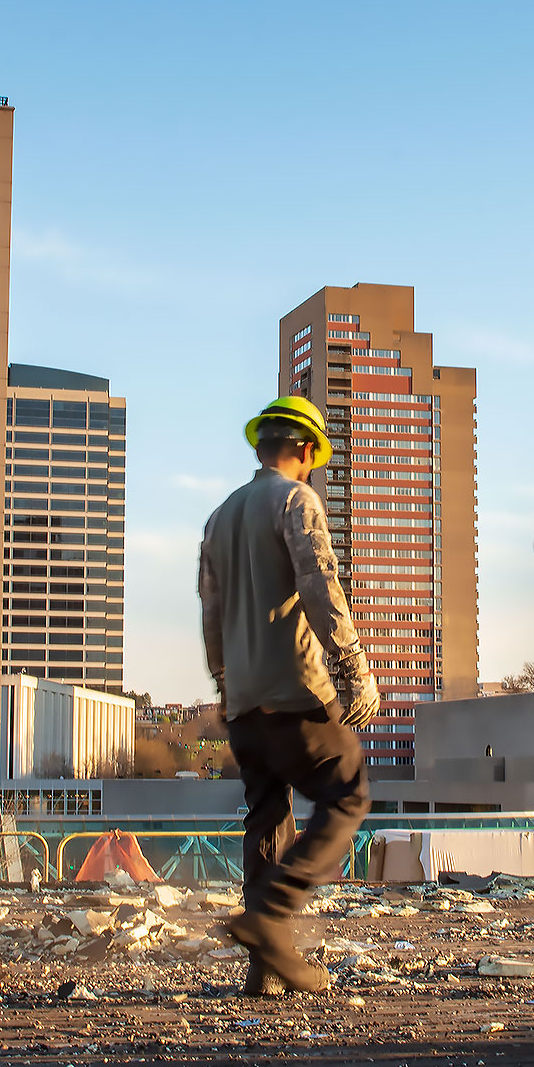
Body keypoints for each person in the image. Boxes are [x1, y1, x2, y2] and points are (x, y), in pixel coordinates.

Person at [197, 395, 377, 995]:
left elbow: (211, 611)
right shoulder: (296, 500)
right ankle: (272, 913)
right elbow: (318, 581)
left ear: (261, 443)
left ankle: (265, 968)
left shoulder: (219, 517)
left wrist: (226, 684)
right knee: (347, 794)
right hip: (295, 691)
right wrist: (352, 667)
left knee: (267, 816)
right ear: (305, 448)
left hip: (245, 703)